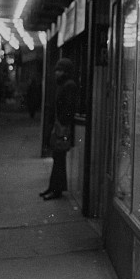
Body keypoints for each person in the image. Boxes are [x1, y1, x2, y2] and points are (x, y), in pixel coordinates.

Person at [41, 58, 78, 201]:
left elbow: (68, 108)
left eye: (60, 70)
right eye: (57, 70)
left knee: (58, 158)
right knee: (57, 158)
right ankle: (54, 188)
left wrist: (61, 121)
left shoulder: (68, 86)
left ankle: (56, 189)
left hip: (62, 128)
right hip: (59, 126)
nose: (57, 73)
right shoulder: (64, 85)